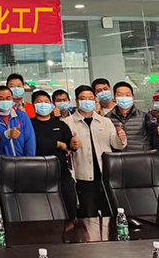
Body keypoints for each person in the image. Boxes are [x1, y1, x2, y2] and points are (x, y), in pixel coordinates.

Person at [63, 85, 126, 218]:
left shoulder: (105, 121)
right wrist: (71, 145)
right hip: (83, 176)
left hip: (106, 175)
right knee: (88, 216)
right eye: (83, 98)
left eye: (90, 98)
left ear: (95, 100)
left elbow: (116, 145)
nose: (87, 101)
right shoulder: (67, 123)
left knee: (110, 214)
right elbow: (65, 149)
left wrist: (121, 138)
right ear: (77, 101)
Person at [29, 90, 78, 220]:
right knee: (42, 213)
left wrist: (73, 144)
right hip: (37, 174)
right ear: (33, 105)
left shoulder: (60, 124)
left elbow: (69, 145)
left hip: (61, 173)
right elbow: (34, 144)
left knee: (69, 209)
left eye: (46, 102)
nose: (43, 104)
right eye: (39, 102)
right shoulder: (29, 124)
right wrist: (57, 144)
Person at [107, 82, 156, 151]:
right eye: (120, 95)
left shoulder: (144, 116)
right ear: (114, 98)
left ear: (133, 97)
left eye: (127, 95)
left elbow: (154, 128)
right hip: (118, 156)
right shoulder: (107, 118)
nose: (124, 98)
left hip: (141, 155)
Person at [0, 85, 36, 157]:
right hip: (1, 161)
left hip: (22, 160)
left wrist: (28, 160)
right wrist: (7, 135)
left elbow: (30, 140)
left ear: (12, 98)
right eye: (1, 98)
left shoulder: (22, 116)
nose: (5, 101)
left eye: (8, 98)